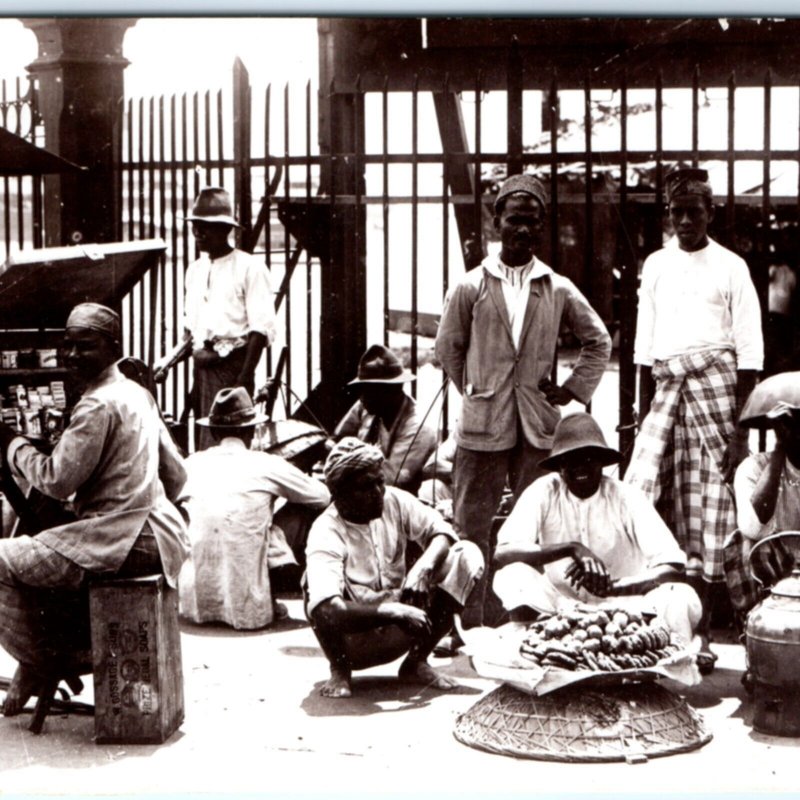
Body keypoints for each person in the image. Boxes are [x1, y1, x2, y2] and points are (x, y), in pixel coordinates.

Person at [435, 173, 612, 628]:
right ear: (496, 223)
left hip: (537, 426)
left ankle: (527, 616)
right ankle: (466, 623)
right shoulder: (471, 285)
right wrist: (477, 390)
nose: (523, 231)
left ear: (542, 227)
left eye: (532, 222)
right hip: (481, 426)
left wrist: (572, 390)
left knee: (533, 526)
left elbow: (599, 342)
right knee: (471, 527)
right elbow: (447, 349)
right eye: (514, 220)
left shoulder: (556, 287)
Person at [0, 303, 190, 715]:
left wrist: (13, 445)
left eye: (85, 346)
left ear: (113, 348)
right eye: (67, 345)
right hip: (163, 536)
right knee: (40, 555)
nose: (71, 355)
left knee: (3, 560)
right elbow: (176, 477)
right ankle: (44, 659)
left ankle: (46, 661)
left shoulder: (96, 404)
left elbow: (54, 479)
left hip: (120, 539)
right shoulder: (138, 393)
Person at [625, 166, 764, 672]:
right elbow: (644, 347)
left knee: (713, 518)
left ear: (710, 213)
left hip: (716, 397)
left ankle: (705, 632)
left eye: (695, 211)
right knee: (651, 503)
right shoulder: (657, 265)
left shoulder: (732, 267)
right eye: (677, 211)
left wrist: (739, 434)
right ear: (668, 214)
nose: (686, 220)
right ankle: (668, 630)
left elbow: (749, 353)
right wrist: (644, 414)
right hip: (667, 397)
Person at [493, 413, 701, 647]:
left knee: (679, 596)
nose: (581, 466)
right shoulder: (544, 491)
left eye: (589, 458)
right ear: (560, 466)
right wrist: (572, 549)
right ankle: (533, 651)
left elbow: (673, 567)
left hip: (626, 607)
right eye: (571, 460)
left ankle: (663, 665)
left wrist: (615, 587)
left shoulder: (626, 496)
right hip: (561, 607)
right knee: (512, 576)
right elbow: (504, 553)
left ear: (602, 463)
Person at [304, 438, 484, 698]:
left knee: (466, 554)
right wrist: (394, 611)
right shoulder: (326, 530)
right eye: (366, 487)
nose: (378, 492)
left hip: (407, 625)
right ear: (339, 492)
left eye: (380, 482)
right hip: (354, 640)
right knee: (313, 586)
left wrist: (423, 568)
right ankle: (339, 670)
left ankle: (416, 662)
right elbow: (328, 610)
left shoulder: (395, 500)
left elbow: (442, 531)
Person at [178, 386, 330, 630]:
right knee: (303, 509)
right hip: (248, 609)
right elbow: (322, 497)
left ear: (214, 432)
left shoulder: (193, 463)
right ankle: (277, 588)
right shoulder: (265, 463)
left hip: (194, 605)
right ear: (252, 430)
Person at [153, 186, 277, 451]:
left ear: (225, 229)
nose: (198, 232)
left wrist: (243, 381)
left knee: (230, 442)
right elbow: (192, 335)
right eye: (195, 225)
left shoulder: (250, 267)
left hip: (233, 368)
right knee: (204, 439)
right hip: (202, 369)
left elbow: (259, 331)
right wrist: (168, 362)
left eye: (206, 226)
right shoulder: (195, 271)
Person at [724, 372, 800, 627]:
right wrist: (780, 448)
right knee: (741, 545)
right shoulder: (754, 468)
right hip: (776, 573)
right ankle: (758, 633)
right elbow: (752, 527)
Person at [334, 344, 436, 494]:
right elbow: (339, 438)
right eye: (361, 389)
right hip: (361, 489)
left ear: (393, 390)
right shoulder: (370, 406)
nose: (361, 397)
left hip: (398, 501)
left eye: (369, 390)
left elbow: (392, 479)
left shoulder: (418, 426)